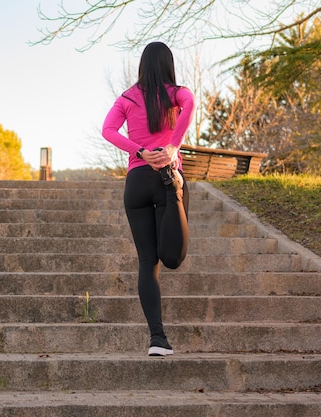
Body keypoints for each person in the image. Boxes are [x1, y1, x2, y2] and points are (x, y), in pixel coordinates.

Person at [102, 41, 195, 356]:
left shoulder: (127, 96)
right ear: (168, 64)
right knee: (172, 258)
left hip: (137, 180)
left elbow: (108, 130)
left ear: (142, 65)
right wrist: (172, 147)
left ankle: (158, 339)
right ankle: (175, 191)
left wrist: (138, 151)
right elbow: (191, 101)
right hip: (166, 174)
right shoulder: (175, 93)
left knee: (147, 262)